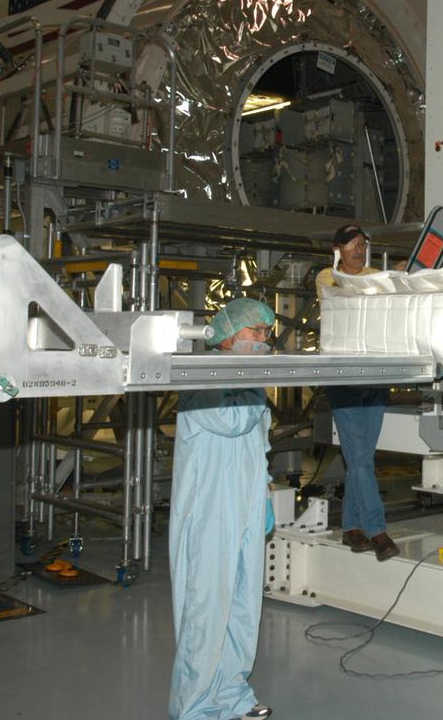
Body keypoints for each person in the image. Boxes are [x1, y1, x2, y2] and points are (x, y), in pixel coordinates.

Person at [168, 298, 277, 720]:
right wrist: (256, 385)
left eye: (267, 333)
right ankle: (194, 706)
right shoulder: (202, 373)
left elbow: (260, 440)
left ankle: (233, 695)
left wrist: (265, 491)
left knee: (243, 603)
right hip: (210, 508)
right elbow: (233, 422)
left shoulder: (250, 376)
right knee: (206, 607)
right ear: (228, 332)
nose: (263, 340)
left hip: (246, 502)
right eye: (255, 332)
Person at [314, 224, 400, 561]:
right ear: (337, 249)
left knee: (361, 457)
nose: (359, 249)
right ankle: (377, 529)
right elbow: (346, 294)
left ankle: (352, 527)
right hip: (344, 376)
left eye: (363, 244)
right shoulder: (328, 276)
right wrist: (387, 280)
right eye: (352, 244)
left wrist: (396, 278)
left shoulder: (375, 274)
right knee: (361, 457)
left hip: (375, 374)